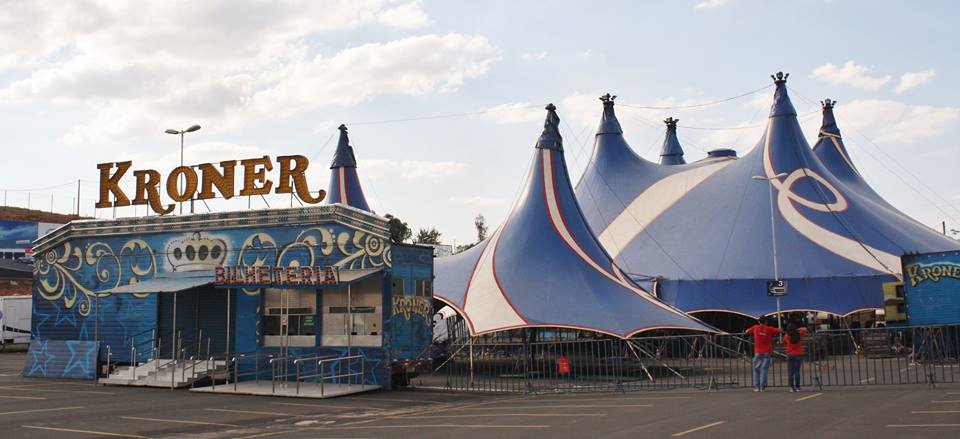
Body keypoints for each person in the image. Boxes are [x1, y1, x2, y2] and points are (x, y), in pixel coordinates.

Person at [744, 317, 780, 392]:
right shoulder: (769, 329)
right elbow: (779, 330)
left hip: (758, 351)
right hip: (767, 351)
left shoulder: (755, 328)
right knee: (764, 369)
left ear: (759, 321)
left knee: (756, 369)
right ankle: (762, 386)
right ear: (766, 322)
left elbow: (747, 331)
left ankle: (757, 386)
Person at [784, 321, 809, 392]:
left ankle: (791, 387)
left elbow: (784, 342)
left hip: (789, 354)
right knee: (797, 371)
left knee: (790, 371)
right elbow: (805, 329)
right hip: (798, 354)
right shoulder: (799, 334)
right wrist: (797, 329)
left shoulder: (786, 336)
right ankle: (798, 387)